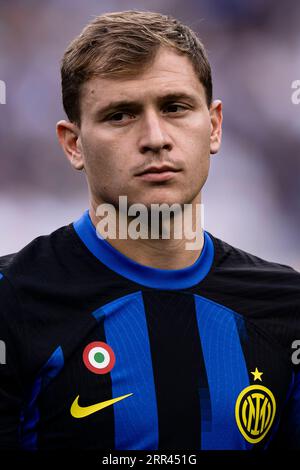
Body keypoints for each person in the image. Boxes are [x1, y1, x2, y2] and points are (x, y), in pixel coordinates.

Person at [0, 10, 299, 451]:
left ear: (214, 126)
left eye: (175, 107)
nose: (155, 137)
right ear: (73, 144)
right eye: (121, 115)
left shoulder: (286, 305)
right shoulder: (12, 302)